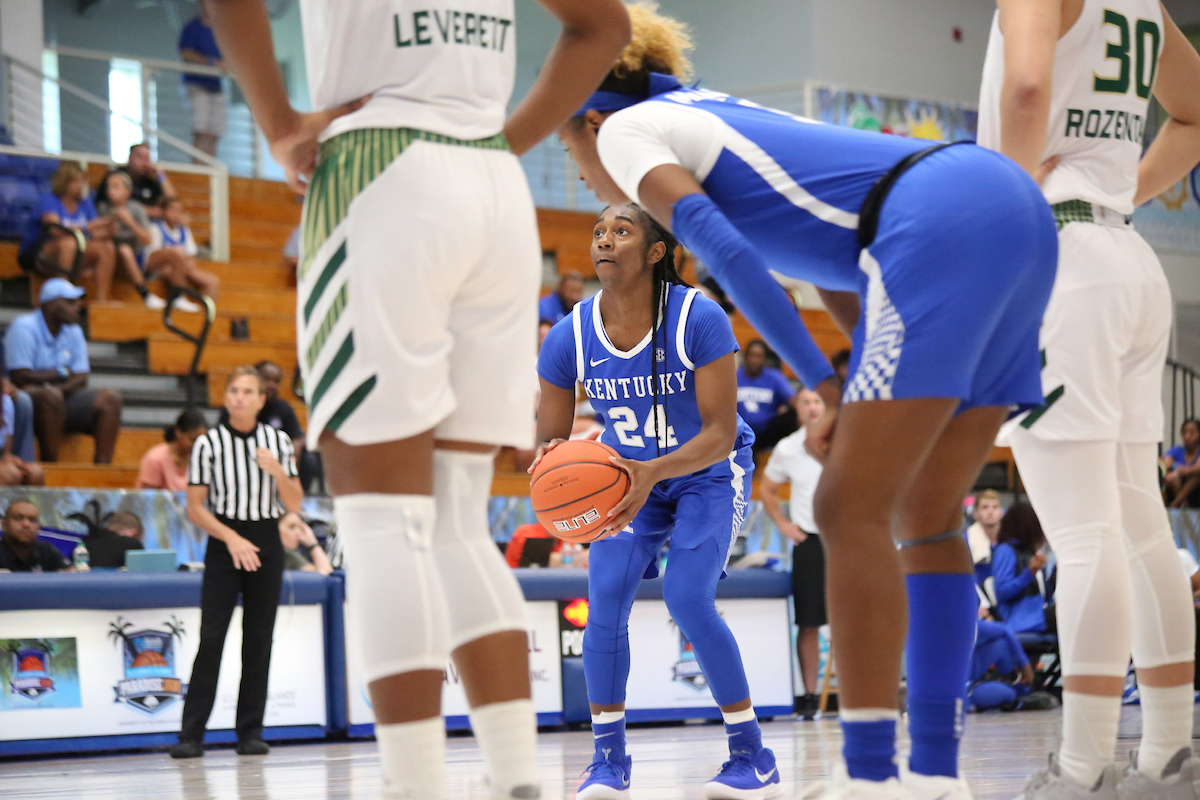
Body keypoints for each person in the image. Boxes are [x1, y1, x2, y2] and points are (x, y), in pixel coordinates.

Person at [558, 6, 1056, 798]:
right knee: (926, 517)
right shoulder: (711, 109)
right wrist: (855, 381)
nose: (585, 180)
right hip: (1013, 208)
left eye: (570, 153)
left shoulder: (626, 132)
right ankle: (933, 776)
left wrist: (826, 388)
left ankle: (868, 778)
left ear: (587, 119)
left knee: (848, 505)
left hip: (933, 216)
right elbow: (832, 262)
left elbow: (726, 250)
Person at [206, 0, 629, 797]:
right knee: (455, 525)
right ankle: (515, 778)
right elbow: (603, 26)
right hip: (494, 186)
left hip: (381, 163)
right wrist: (503, 140)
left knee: (382, 523)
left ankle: (413, 783)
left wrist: (278, 122)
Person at [979, 0, 1200, 795]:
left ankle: (1082, 769)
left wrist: (995, 205)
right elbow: (1195, 108)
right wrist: (1123, 189)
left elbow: (1029, 89)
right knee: (1138, 520)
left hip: (1061, 258)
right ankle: (1170, 750)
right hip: (1129, 257)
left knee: (1083, 531)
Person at [534, 204, 779, 800]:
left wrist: (652, 473)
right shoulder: (570, 333)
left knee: (687, 597)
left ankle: (753, 755)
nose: (605, 240)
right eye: (598, 231)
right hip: (623, 478)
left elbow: (720, 433)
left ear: (655, 252)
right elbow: (549, 443)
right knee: (605, 598)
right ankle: (607, 761)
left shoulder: (700, 316)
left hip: (708, 471)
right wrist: (562, 483)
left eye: (622, 231)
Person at [170, 366, 302, 759]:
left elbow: (294, 503)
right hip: (225, 538)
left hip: (266, 538)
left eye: (248, 391)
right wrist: (231, 538)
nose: (240, 397)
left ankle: (250, 732)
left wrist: (277, 470)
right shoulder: (208, 444)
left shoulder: (277, 441)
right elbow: (195, 508)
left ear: (262, 400)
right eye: (234, 390)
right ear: (225, 397)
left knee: (259, 639)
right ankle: (191, 735)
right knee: (212, 637)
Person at [759, 386, 827, 720]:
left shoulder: (845, 439)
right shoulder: (789, 448)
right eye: (806, 401)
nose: (813, 407)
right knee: (809, 622)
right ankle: (811, 694)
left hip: (847, 540)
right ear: (797, 408)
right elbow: (767, 489)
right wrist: (784, 524)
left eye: (818, 401)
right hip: (810, 541)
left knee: (858, 619)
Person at [5, 279, 123, 464]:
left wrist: (57, 387)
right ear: (51, 305)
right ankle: (51, 466)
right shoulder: (24, 327)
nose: (77, 306)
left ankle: (102, 471)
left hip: (62, 396)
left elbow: (81, 378)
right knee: (50, 397)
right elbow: (20, 376)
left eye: (77, 302)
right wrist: (61, 372)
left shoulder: (74, 330)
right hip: (29, 402)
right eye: (70, 302)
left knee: (110, 398)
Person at [17, 162, 116, 283]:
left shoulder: (86, 203)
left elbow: (93, 234)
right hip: (39, 252)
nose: (80, 186)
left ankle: (102, 300)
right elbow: (56, 231)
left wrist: (108, 229)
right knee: (68, 243)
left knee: (107, 247)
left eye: (82, 182)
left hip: (77, 249)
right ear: (64, 182)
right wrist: (89, 226)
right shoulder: (48, 200)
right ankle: (63, 294)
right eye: (76, 182)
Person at [95, 170, 167, 309]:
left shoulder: (137, 209)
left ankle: (169, 296)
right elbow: (95, 237)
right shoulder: (102, 208)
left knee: (126, 249)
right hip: (111, 260)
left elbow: (147, 239)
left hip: (137, 257)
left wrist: (130, 222)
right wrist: (109, 227)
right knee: (122, 249)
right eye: (109, 187)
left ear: (127, 191)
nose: (111, 191)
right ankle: (144, 293)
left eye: (116, 187)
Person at [144, 198, 220, 308]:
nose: (175, 214)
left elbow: (191, 254)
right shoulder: (156, 228)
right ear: (164, 211)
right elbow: (153, 254)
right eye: (172, 210)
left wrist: (189, 264)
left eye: (179, 211)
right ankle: (179, 296)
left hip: (181, 268)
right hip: (161, 269)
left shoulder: (184, 230)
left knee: (213, 281)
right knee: (176, 257)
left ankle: (207, 314)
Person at [991, 503, 1054, 635]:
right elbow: (1002, 592)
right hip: (1020, 619)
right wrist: (1029, 573)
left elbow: (1046, 594)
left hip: (1038, 614)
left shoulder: (1030, 550)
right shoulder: (1006, 551)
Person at [178, 1, 226, 159]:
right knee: (200, 127)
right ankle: (198, 166)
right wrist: (212, 62)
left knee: (215, 129)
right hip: (196, 84)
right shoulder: (192, 27)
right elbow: (186, 54)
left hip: (216, 85)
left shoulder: (220, 29)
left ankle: (211, 162)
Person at [736, 340, 796, 452]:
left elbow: (793, 400)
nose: (754, 360)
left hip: (767, 431)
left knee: (795, 414)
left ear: (764, 359)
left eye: (759, 356)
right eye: (752, 355)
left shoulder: (775, 377)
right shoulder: (734, 376)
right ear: (745, 357)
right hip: (739, 430)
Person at [95, 143, 178, 218]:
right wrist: (151, 212)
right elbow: (118, 206)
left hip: (147, 225)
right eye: (140, 157)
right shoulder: (116, 176)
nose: (144, 162)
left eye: (147, 158)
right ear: (130, 157)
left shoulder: (150, 179)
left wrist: (160, 174)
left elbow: (172, 200)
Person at [136, 408, 209, 491]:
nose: (198, 445)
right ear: (178, 433)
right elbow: (148, 498)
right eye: (193, 440)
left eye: (202, 441)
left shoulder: (203, 459)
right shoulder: (155, 459)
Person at [0, 499, 67, 572]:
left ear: (38, 527)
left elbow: (70, 574)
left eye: (32, 520)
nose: (26, 524)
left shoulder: (46, 550)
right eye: (19, 518)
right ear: (5, 525)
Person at [0, 392, 44, 486]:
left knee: (35, 473)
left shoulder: (5, 402)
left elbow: (5, 452)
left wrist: (11, 460)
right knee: (9, 475)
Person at [1164, 419, 1200, 508]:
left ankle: (1176, 503)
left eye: (1192, 433)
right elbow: (1166, 464)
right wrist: (1175, 472)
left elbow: (1197, 468)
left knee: (1196, 476)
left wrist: (1183, 470)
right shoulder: (1176, 450)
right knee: (1170, 477)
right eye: (1184, 432)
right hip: (1177, 485)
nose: (1187, 436)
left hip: (1196, 490)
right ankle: (1184, 504)